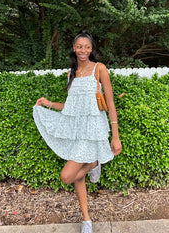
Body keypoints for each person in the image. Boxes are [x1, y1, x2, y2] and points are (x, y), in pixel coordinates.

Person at [33, 31, 122, 233]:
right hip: (77, 131)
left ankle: (94, 162)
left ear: (92, 49)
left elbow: (110, 103)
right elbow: (71, 107)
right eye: (79, 46)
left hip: (94, 131)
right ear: (74, 48)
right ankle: (87, 220)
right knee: (78, 178)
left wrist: (115, 136)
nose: (83, 50)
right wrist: (48, 104)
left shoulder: (99, 69)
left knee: (67, 176)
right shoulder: (71, 74)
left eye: (87, 46)